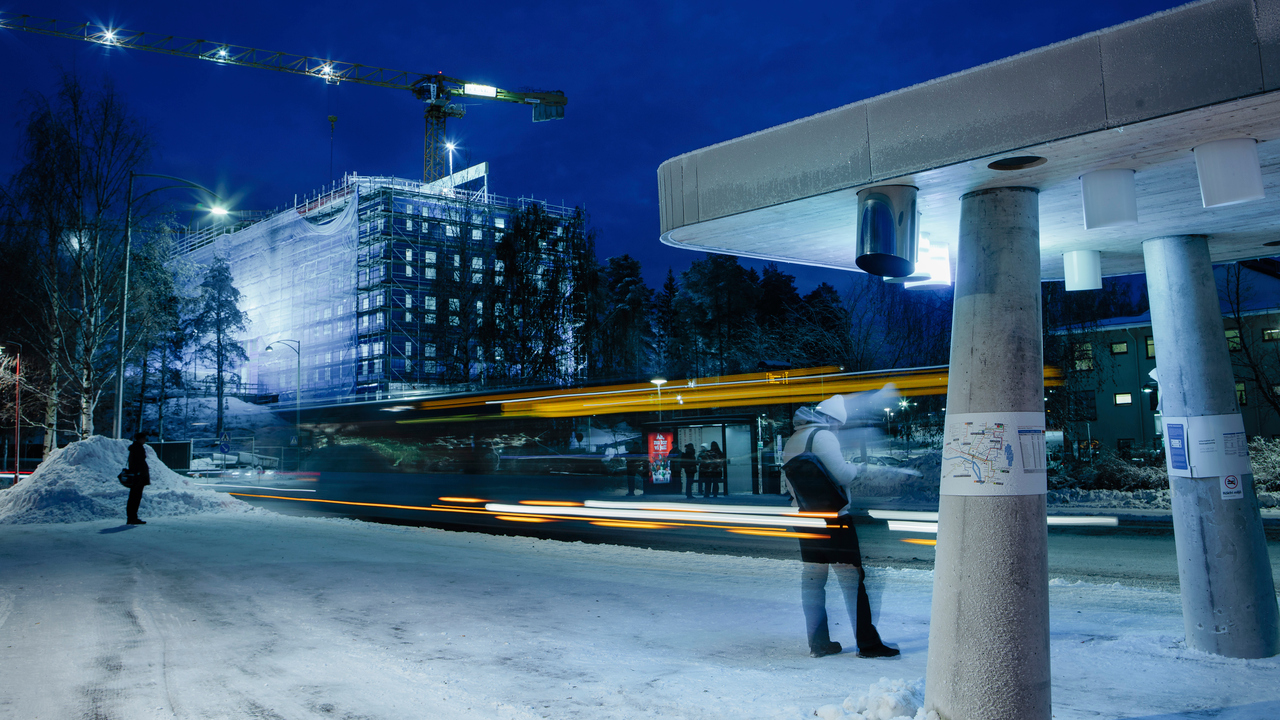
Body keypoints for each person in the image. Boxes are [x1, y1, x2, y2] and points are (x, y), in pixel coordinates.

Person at [781, 395, 898, 659]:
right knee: (853, 580)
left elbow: (790, 483)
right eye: (838, 426)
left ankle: (819, 643)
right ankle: (868, 644)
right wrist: (857, 468)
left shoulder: (793, 439)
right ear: (833, 421)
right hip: (834, 520)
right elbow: (843, 474)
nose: (837, 431)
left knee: (813, 583)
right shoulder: (823, 436)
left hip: (805, 519)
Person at [125, 432, 152, 525]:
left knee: (133, 497)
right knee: (135, 497)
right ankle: (132, 517)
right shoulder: (138, 449)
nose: (145, 440)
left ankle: (131, 517)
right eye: (143, 438)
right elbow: (139, 463)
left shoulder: (134, 448)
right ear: (140, 439)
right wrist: (141, 474)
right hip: (138, 477)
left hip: (136, 476)